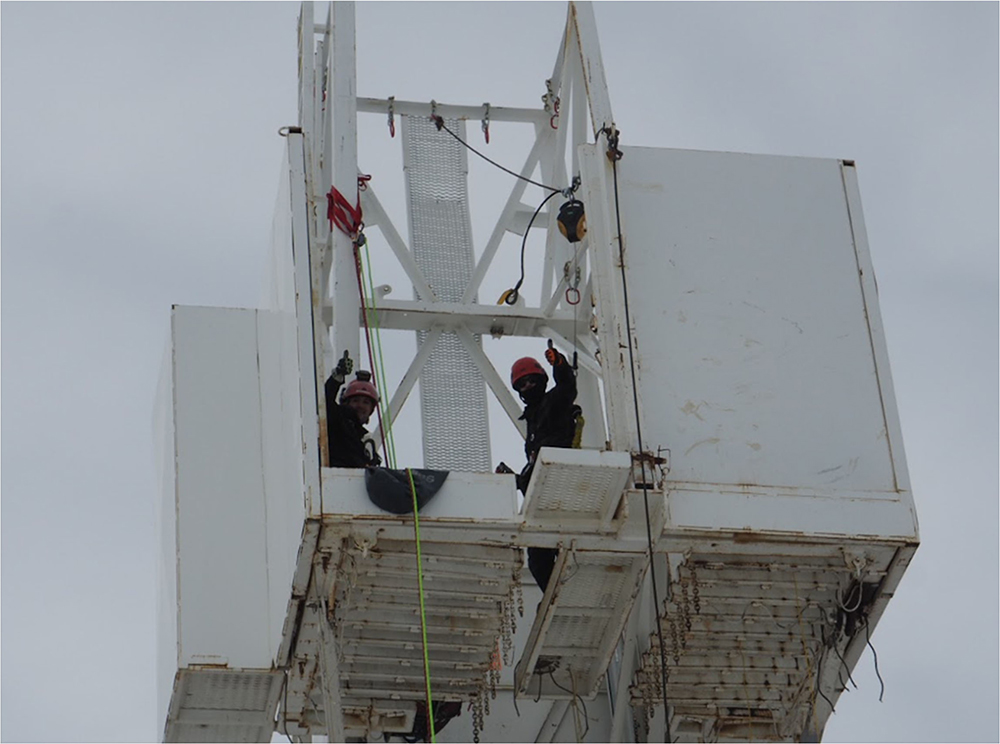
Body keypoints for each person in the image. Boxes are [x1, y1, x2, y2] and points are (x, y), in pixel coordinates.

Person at [510, 344, 582, 592]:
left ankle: (565, 590)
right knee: (538, 558)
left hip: (560, 478)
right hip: (542, 491)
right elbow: (530, 476)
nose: (528, 387)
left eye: (531, 381)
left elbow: (567, 386)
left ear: (541, 379)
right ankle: (554, 595)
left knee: (566, 545)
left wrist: (559, 363)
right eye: (523, 385)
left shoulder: (555, 401)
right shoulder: (531, 423)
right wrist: (513, 479)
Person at [325, 350, 382, 468]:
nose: (360, 406)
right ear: (345, 403)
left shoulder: (365, 440)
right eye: (355, 401)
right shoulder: (337, 419)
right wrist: (337, 377)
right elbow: (324, 402)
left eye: (366, 402)